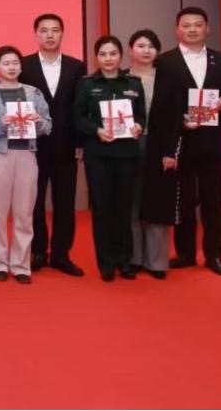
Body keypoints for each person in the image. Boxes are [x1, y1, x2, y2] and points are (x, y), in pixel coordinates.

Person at [146, 6, 221, 277]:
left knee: (213, 201)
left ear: (207, 28)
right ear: (177, 30)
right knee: (184, 200)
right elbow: (160, 106)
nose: (192, 29)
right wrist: (179, 122)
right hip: (181, 142)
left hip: (213, 142)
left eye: (198, 25)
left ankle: (215, 255)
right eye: (186, 25)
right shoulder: (165, 62)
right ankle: (186, 253)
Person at [0, 46, 52, 284]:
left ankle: (21, 264)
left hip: (27, 155)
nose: (12, 67)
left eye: (15, 63)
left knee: (24, 213)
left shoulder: (33, 93)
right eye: (6, 63)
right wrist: (1, 124)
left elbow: (48, 125)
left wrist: (38, 122)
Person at [18, 13, 87, 276]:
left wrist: (80, 142)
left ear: (62, 34)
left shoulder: (76, 66)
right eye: (44, 30)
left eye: (55, 30)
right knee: (33, 202)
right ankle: (37, 251)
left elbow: (80, 107)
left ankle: (61, 254)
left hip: (66, 145)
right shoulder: (24, 65)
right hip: (32, 145)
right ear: (36, 34)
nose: (50, 35)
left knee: (65, 202)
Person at [74, 36, 147, 281]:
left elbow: (141, 116)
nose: (108, 59)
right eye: (103, 54)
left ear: (121, 56)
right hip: (98, 154)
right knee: (102, 208)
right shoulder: (87, 84)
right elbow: (78, 118)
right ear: (96, 57)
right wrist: (96, 130)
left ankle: (124, 260)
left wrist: (138, 126)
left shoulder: (133, 83)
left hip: (127, 154)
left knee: (124, 208)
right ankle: (106, 262)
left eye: (113, 53)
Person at [126, 29, 169, 278]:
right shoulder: (120, 79)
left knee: (156, 201)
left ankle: (156, 262)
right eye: (140, 45)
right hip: (127, 145)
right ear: (130, 50)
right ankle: (133, 258)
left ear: (158, 51)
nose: (146, 50)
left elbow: (175, 113)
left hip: (159, 145)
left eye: (151, 46)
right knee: (131, 201)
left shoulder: (167, 79)